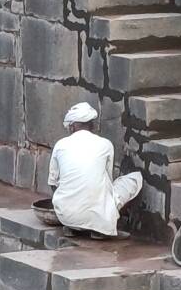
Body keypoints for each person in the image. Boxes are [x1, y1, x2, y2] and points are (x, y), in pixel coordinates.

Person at [48, 102, 143, 239]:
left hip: (65, 216)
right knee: (135, 179)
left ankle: (73, 226)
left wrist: (70, 201)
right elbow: (108, 181)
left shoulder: (60, 145)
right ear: (92, 125)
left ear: (72, 126)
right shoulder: (105, 144)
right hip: (97, 215)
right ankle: (101, 228)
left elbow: (53, 183)